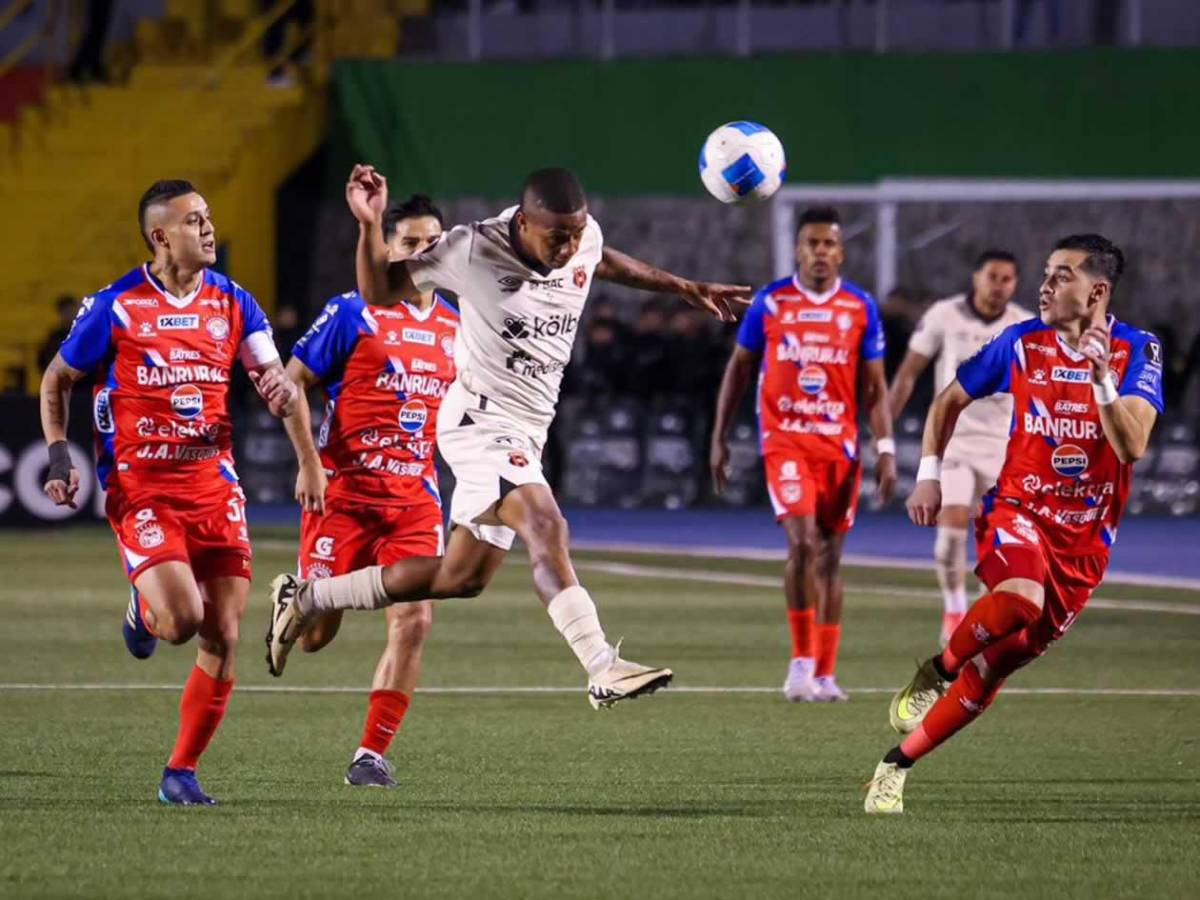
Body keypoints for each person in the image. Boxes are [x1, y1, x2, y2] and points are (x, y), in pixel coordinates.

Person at [264, 164, 751, 709]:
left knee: (459, 577)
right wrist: (369, 223)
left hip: (529, 428)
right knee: (546, 524)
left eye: (575, 234)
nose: (568, 248)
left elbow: (599, 261)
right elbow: (378, 291)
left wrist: (683, 287)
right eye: (556, 237)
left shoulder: (581, 240)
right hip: (480, 421)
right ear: (523, 223)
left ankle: (309, 595)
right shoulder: (472, 248)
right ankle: (601, 664)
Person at [865, 234, 1163, 814]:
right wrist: (928, 475)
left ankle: (893, 765)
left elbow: (1131, 447)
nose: (1045, 285)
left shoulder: (1138, 350)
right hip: (1018, 511)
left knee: (1001, 662)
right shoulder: (1021, 342)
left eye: (1062, 275)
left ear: (1097, 290)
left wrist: (1101, 379)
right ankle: (938, 668)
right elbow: (947, 401)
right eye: (1046, 273)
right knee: (1020, 601)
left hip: (1084, 544)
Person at [39, 180, 302, 806]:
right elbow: (57, 379)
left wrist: (279, 390)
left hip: (215, 487)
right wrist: (56, 453)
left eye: (208, 217)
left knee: (227, 634)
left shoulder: (235, 301)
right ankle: (147, 608)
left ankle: (180, 771)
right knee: (183, 622)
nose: (209, 229)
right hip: (145, 490)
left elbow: (271, 371)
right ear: (160, 237)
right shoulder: (117, 305)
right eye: (193, 221)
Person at [279, 194, 458, 788]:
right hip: (344, 495)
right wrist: (309, 463)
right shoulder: (352, 312)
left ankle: (370, 756)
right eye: (409, 243)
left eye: (432, 242)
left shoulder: (460, 325)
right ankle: (300, 598)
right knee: (316, 640)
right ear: (386, 250)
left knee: (415, 619)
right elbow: (292, 381)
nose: (422, 253)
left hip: (414, 497)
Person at [710, 206, 897, 703]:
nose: (820, 252)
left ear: (841, 251)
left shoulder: (860, 307)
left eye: (829, 244)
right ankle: (799, 663)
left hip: (839, 445)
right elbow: (739, 369)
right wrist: (719, 435)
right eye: (812, 243)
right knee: (803, 546)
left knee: (832, 557)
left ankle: (826, 673)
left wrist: (886, 447)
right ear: (798, 249)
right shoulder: (771, 302)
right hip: (785, 441)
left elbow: (875, 387)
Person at [887, 250, 1031, 643]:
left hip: (1004, 446)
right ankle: (953, 609)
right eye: (992, 277)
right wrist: (884, 429)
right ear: (976, 277)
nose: (997, 286)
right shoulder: (943, 315)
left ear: (1014, 284)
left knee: (997, 539)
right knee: (950, 526)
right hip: (954, 441)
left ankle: (985, 613)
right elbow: (908, 374)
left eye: (1006, 279)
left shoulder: (1022, 324)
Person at [37, 295, 80, 372]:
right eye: (65, 311)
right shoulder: (54, 338)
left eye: (70, 310)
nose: (68, 314)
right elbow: (44, 362)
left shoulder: (86, 333)